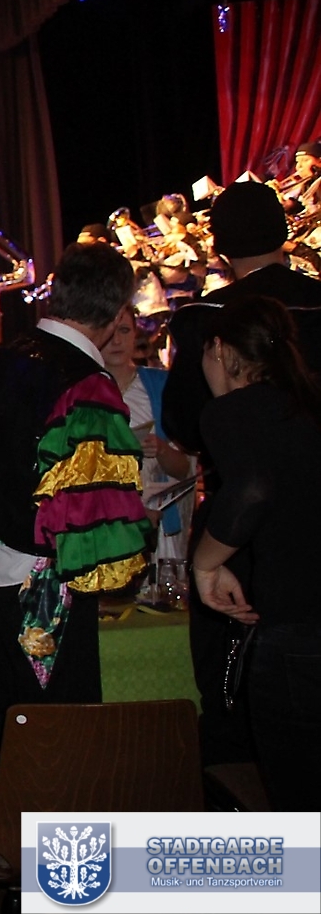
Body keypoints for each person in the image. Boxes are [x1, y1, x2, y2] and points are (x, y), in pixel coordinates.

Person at [0, 245, 152, 746]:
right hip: (44, 583)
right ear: (116, 313)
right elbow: (88, 509)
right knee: (63, 735)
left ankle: (16, 801)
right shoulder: (85, 383)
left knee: (13, 722)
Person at [160, 179, 321, 769]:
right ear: (285, 234)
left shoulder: (208, 320)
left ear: (220, 248)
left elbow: (186, 426)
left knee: (242, 702)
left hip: (243, 537)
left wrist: (206, 561)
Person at [189, 297, 321, 812]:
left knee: (298, 801)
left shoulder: (235, 411)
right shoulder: (309, 404)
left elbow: (253, 488)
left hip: (297, 630)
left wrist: (205, 563)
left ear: (220, 350)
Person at [98, 311, 192, 563]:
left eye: (124, 331)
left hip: (152, 521)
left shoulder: (160, 385)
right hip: (98, 522)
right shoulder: (81, 388)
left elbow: (185, 469)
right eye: (110, 332)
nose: (117, 341)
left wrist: (160, 449)